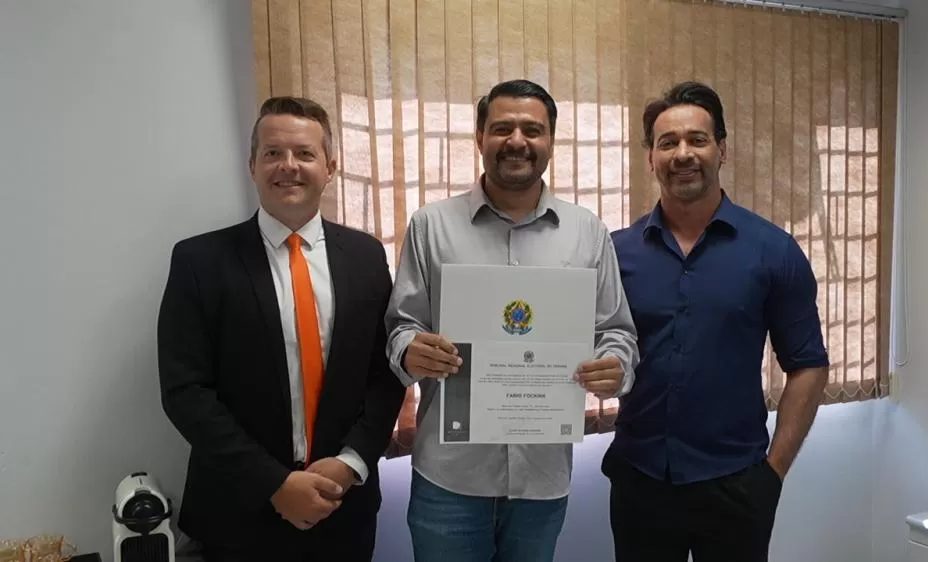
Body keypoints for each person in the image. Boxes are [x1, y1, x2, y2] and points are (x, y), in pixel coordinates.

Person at [384, 79, 640, 562]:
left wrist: (615, 365)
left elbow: (616, 331)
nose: (517, 141)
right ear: (480, 138)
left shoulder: (587, 230)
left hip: (541, 480)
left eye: (532, 130)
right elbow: (401, 327)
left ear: (550, 141)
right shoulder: (431, 225)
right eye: (502, 128)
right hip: (450, 478)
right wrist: (410, 350)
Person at [157, 96, 405, 561]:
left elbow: (385, 373)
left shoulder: (367, 257)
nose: (288, 166)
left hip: (341, 509)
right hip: (236, 514)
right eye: (273, 153)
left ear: (330, 167)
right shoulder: (199, 261)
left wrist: (350, 464)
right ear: (252, 165)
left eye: (305, 154)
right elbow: (186, 391)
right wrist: (273, 483)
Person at [602, 81, 830, 562]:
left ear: (721, 149)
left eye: (697, 140)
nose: (683, 154)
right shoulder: (614, 253)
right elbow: (581, 342)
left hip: (737, 486)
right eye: (668, 143)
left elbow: (808, 364)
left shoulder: (773, 251)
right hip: (640, 480)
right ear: (650, 157)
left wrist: (773, 472)